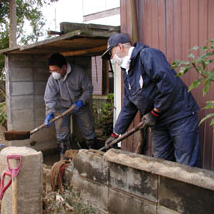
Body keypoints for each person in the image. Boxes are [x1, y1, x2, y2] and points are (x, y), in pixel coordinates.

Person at [101, 33, 202, 168]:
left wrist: (154, 112)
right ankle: (167, 189)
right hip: (159, 122)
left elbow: (169, 85)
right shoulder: (128, 72)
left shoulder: (147, 55)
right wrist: (115, 134)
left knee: (186, 165)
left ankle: (190, 190)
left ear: (120, 47)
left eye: (111, 54)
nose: (111, 59)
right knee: (161, 163)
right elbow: (129, 106)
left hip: (179, 116)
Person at [44, 53, 96, 160]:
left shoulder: (79, 73)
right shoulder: (52, 80)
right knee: (61, 134)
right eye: (51, 71)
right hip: (61, 106)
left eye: (56, 71)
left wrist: (81, 101)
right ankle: (63, 160)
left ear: (64, 67)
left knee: (88, 129)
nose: (54, 74)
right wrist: (49, 114)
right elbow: (50, 98)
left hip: (79, 104)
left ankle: (93, 154)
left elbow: (88, 89)